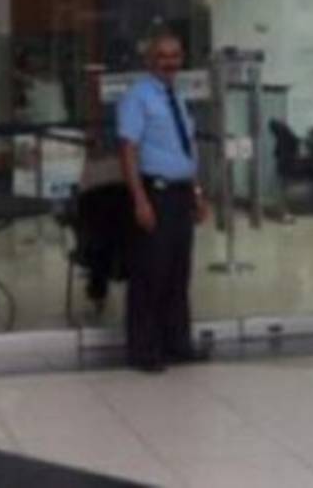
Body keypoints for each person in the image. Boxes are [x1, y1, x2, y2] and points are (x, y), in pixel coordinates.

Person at [117, 30, 210, 372]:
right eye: (162, 56)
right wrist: (139, 201)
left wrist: (197, 193)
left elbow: (186, 150)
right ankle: (144, 350)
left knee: (177, 273)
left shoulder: (176, 97)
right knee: (150, 274)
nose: (170, 63)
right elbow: (128, 150)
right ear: (149, 61)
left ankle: (177, 343)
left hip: (181, 192)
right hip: (154, 193)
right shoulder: (138, 97)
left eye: (175, 56)